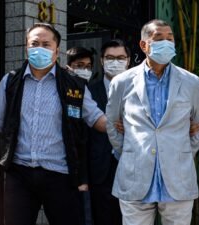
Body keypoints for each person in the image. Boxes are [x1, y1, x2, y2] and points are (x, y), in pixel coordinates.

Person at [0, 23, 106, 225]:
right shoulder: (10, 82)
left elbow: (96, 118)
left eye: (46, 44)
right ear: (27, 47)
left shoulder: (74, 84)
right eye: (35, 43)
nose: (40, 48)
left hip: (60, 175)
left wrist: (124, 121)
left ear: (56, 50)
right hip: (20, 174)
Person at [106, 19, 199, 225]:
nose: (166, 43)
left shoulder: (192, 82)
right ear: (144, 45)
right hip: (135, 176)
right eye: (159, 38)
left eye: (170, 38)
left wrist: (182, 151)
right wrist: (128, 151)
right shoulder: (122, 82)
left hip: (177, 177)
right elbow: (112, 123)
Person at [87, 39, 130, 225]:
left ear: (128, 61)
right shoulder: (88, 91)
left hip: (131, 168)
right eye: (110, 58)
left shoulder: (141, 90)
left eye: (120, 58)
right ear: (102, 61)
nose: (115, 62)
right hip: (100, 170)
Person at [66, 46, 97, 225]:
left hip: (92, 169)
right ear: (69, 66)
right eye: (80, 65)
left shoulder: (88, 90)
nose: (85, 70)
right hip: (73, 171)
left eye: (88, 66)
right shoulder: (66, 89)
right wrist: (81, 177)